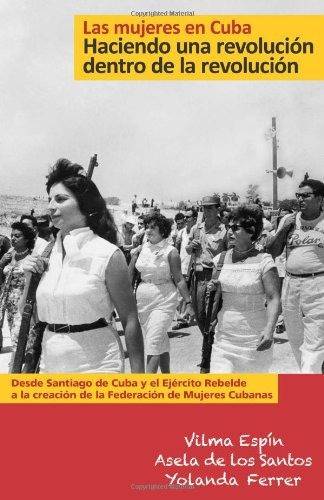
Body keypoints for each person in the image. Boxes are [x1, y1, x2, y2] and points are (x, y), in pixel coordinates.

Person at [23, 158, 144, 373]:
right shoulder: (46, 254)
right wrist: (28, 281)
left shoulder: (107, 254)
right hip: (50, 363)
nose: (51, 207)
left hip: (98, 364)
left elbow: (130, 319)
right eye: (50, 199)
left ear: (84, 205)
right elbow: (34, 316)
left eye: (60, 199)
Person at [209, 205, 280, 373]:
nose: (230, 232)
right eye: (228, 227)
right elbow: (216, 295)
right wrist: (215, 288)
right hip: (224, 338)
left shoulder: (264, 261)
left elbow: (273, 298)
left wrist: (269, 329)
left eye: (235, 228)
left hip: (254, 339)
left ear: (251, 231)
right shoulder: (220, 260)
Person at [267, 178, 324, 373]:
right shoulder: (289, 220)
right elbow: (272, 252)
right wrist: (283, 230)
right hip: (291, 284)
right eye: (298, 195)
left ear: (320, 199)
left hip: (318, 284)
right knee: (296, 339)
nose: (300, 199)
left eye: (306, 196)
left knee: (314, 346)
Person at [135, 213, 195, 373]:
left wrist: (188, 303)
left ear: (163, 230)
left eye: (153, 227)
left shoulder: (171, 251)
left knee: (153, 342)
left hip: (164, 298)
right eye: (147, 227)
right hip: (143, 300)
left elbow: (180, 279)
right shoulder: (142, 248)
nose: (148, 230)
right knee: (160, 340)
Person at [186, 194, 227, 373]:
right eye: (204, 207)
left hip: (214, 277)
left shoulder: (224, 230)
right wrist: (191, 247)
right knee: (200, 317)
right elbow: (188, 249)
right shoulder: (197, 228)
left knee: (211, 319)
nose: (207, 211)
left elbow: (229, 255)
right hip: (197, 277)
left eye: (210, 207)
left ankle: (208, 359)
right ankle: (210, 351)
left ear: (218, 208)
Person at [0, 222, 35, 356]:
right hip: (7, 303)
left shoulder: (32, 257)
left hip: (23, 303)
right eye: (12, 236)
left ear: (26, 239)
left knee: (18, 337)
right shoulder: (9, 255)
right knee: (13, 334)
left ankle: (17, 368)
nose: (13, 239)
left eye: (17, 236)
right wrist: (2, 262)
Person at [172, 208, 198, 330]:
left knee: (194, 294)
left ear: (195, 218)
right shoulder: (182, 232)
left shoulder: (198, 231)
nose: (185, 219)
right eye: (185, 217)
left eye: (188, 217)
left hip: (194, 266)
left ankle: (191, 316)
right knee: (181, 294)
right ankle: (181, 319)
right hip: (182, 267)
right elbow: (176, 250)